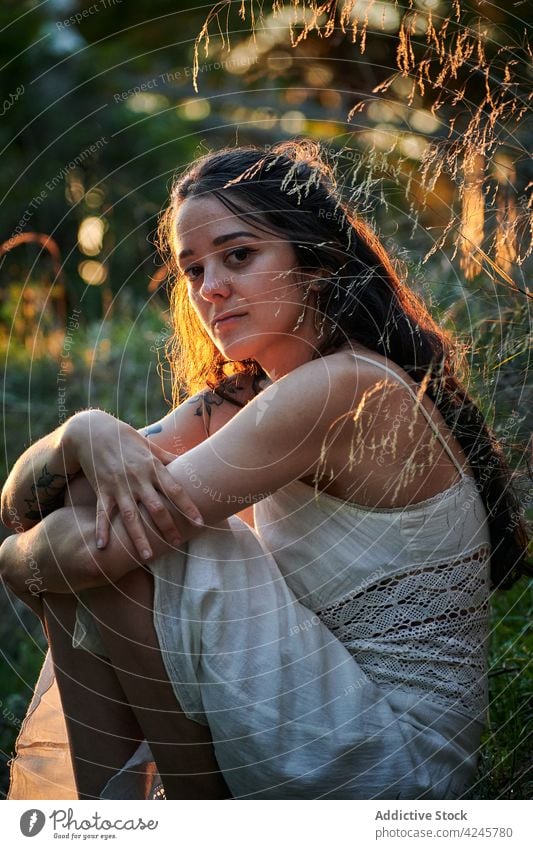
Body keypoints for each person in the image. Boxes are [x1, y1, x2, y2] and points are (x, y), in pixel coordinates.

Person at [0, 139, 529, 801]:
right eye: (192, 270)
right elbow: (30, 499)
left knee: (155, 534)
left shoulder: (341, 387)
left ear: (314, 259)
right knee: (112, 499)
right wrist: (82, 432)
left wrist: (16, 563)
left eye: (239, 255)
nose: (210, 288)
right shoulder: (257, 391)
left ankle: (181, 817)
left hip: (388, 769)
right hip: (332, 722)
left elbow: (91, 549)